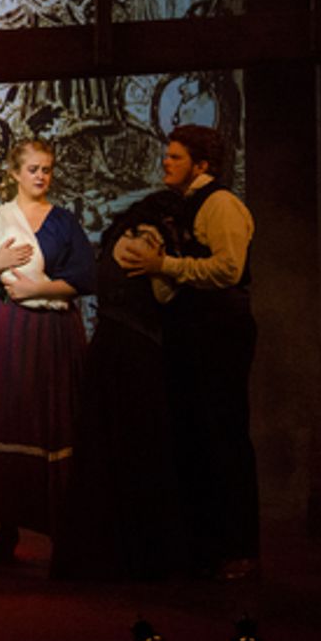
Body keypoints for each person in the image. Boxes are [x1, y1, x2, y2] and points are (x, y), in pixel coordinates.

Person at [117, 124, 258, 580]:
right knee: (196, 439)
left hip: (219, 333)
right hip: (192, 334)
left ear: (202, 165)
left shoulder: (221, 204)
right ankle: (207, 546)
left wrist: (165, 265)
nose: (166, 163)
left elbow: (229, 269)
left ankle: (237, 549)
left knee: (223, 438)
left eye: (175, 157)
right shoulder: (184, 206)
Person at [0, 138, 95, 564]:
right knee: (4, 417)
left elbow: (85, 277)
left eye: (47, 169)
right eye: (33, 168)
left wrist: (40, 287)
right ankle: (6, 525)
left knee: (50, 420)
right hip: (3, 330)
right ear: (14, 173)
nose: (41, 176)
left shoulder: (63, 222)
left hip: (50, 330)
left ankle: (60, 527)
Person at [51, 190, 188, 580]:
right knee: (137, 449)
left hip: (108, 345)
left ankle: (95, 552)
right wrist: (172, 266)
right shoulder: (151, 239)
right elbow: (163, 294)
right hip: (135, 352)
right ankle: (137, 554)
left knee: (99, 449)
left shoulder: (119, 234)